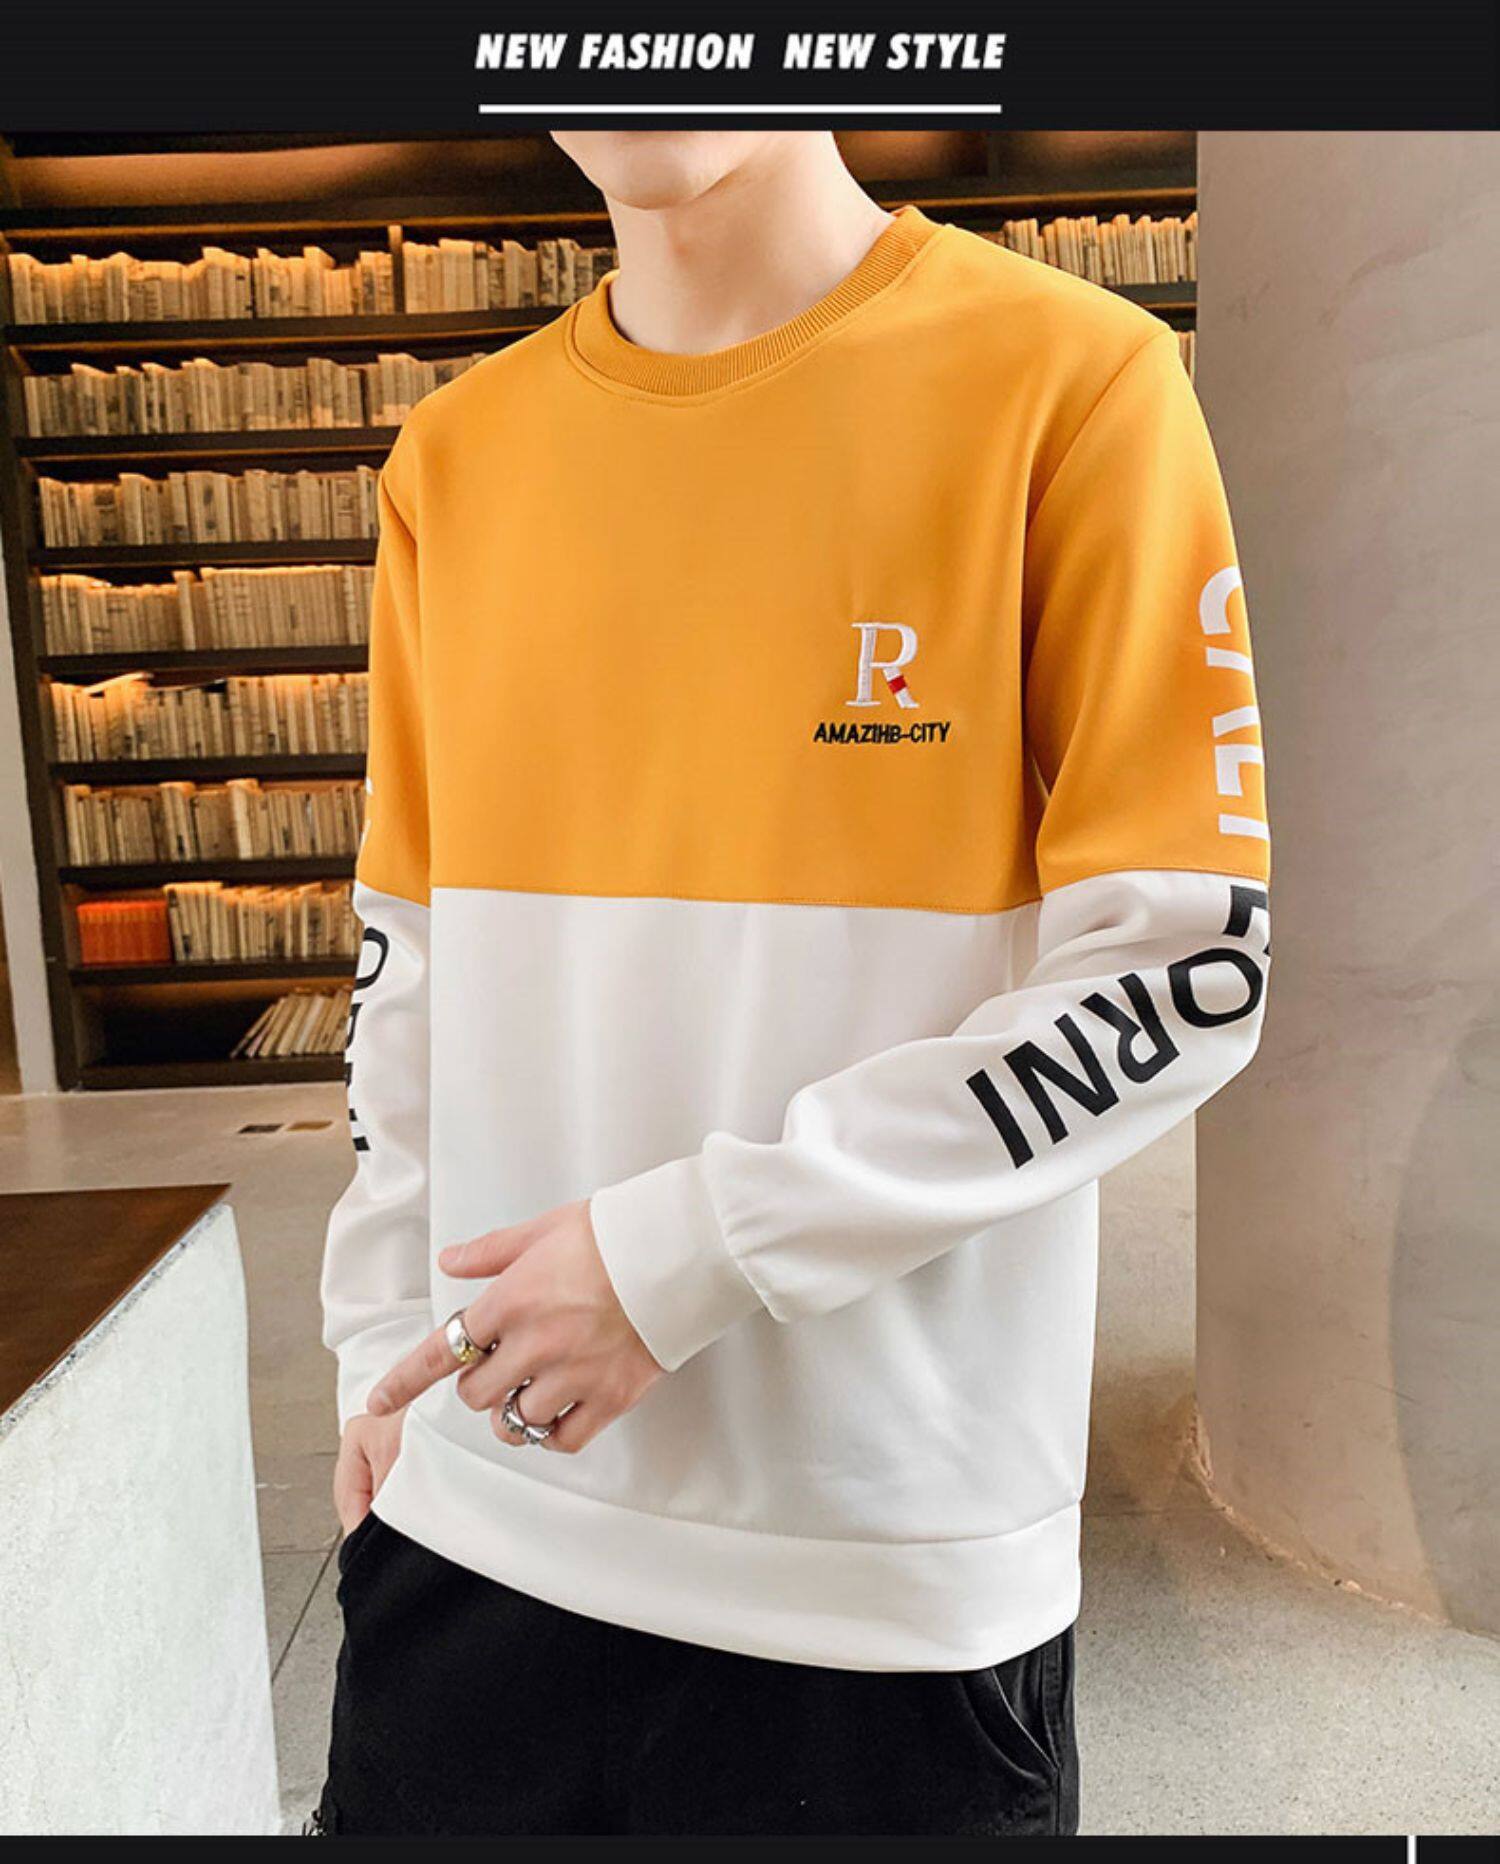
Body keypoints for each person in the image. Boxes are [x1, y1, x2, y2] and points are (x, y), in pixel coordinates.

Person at [315, 129, 1270, 1838]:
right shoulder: (456, 456)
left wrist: (686, 1253)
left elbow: (1182, 969)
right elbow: (409, 964)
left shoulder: (1072, 383)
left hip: (877, 1582)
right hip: (468, 1529)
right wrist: (378, 1349)